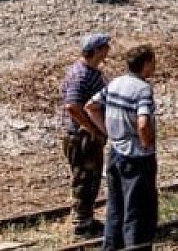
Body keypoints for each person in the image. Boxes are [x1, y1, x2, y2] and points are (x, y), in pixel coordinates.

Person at [86, 45, 159, 251]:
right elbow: (143, 123)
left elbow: (91, 107)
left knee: (116, 206)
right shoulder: (143, 89)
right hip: (137, 158)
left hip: (116, 152)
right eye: (152, 62)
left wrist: (109, 131)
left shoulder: (115, 83)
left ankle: (111, 247)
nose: (154, 66)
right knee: (138, 211)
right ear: (145, 64)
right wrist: (147, 143)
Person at [60, 33, 111, 238]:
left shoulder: (88, 71)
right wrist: (93, 130)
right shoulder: (81, 75)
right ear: (96, 50)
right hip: (81, 137)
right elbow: (72, 106)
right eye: (105, 47)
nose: (108, 50)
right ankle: (82, 226)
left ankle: (86, 218)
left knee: (90, 179)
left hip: (85, 135)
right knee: (85, 179)